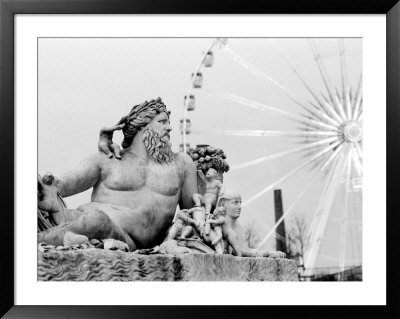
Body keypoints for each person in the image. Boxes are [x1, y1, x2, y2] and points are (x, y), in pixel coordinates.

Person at [37, 97, 198, 251]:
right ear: (142, 126)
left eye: (168, 122)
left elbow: (194, 214)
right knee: (93, 219)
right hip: (81, 222)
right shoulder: (107, 159)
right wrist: (47, 187)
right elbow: (62, 184)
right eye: (162, 122)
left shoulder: (181, 164)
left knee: (96, 220)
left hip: (126, 239)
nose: (169, 128)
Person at [218, 189, 286, 258]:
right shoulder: (221, 225)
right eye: (235, 203)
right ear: (222, 204)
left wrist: (268, 253)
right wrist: (265, 254)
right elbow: (236, 251)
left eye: (240, 203)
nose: (239, 207)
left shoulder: (238, 227)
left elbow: (245, 250)